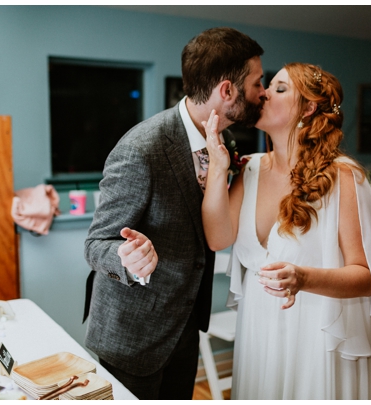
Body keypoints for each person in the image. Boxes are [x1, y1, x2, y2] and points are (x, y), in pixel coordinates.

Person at [82, 27, 265, 400]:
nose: (262, 92)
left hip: (185, 324)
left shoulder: (226, 143)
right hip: (132, 336)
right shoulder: (141, 149)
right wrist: (127, 256)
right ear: (227, 91)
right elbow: (95, 243)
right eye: (258, 83)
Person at [200, 63, 371, 399]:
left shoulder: (343, 178)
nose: (263, 93)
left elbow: (366, 277)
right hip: (259, 329)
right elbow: (218, 239)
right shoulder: (251, 169)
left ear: (309, 107)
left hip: (317, 333)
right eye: (266, 86)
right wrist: (218, 168)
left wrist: (304, 278)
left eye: (279, 88)